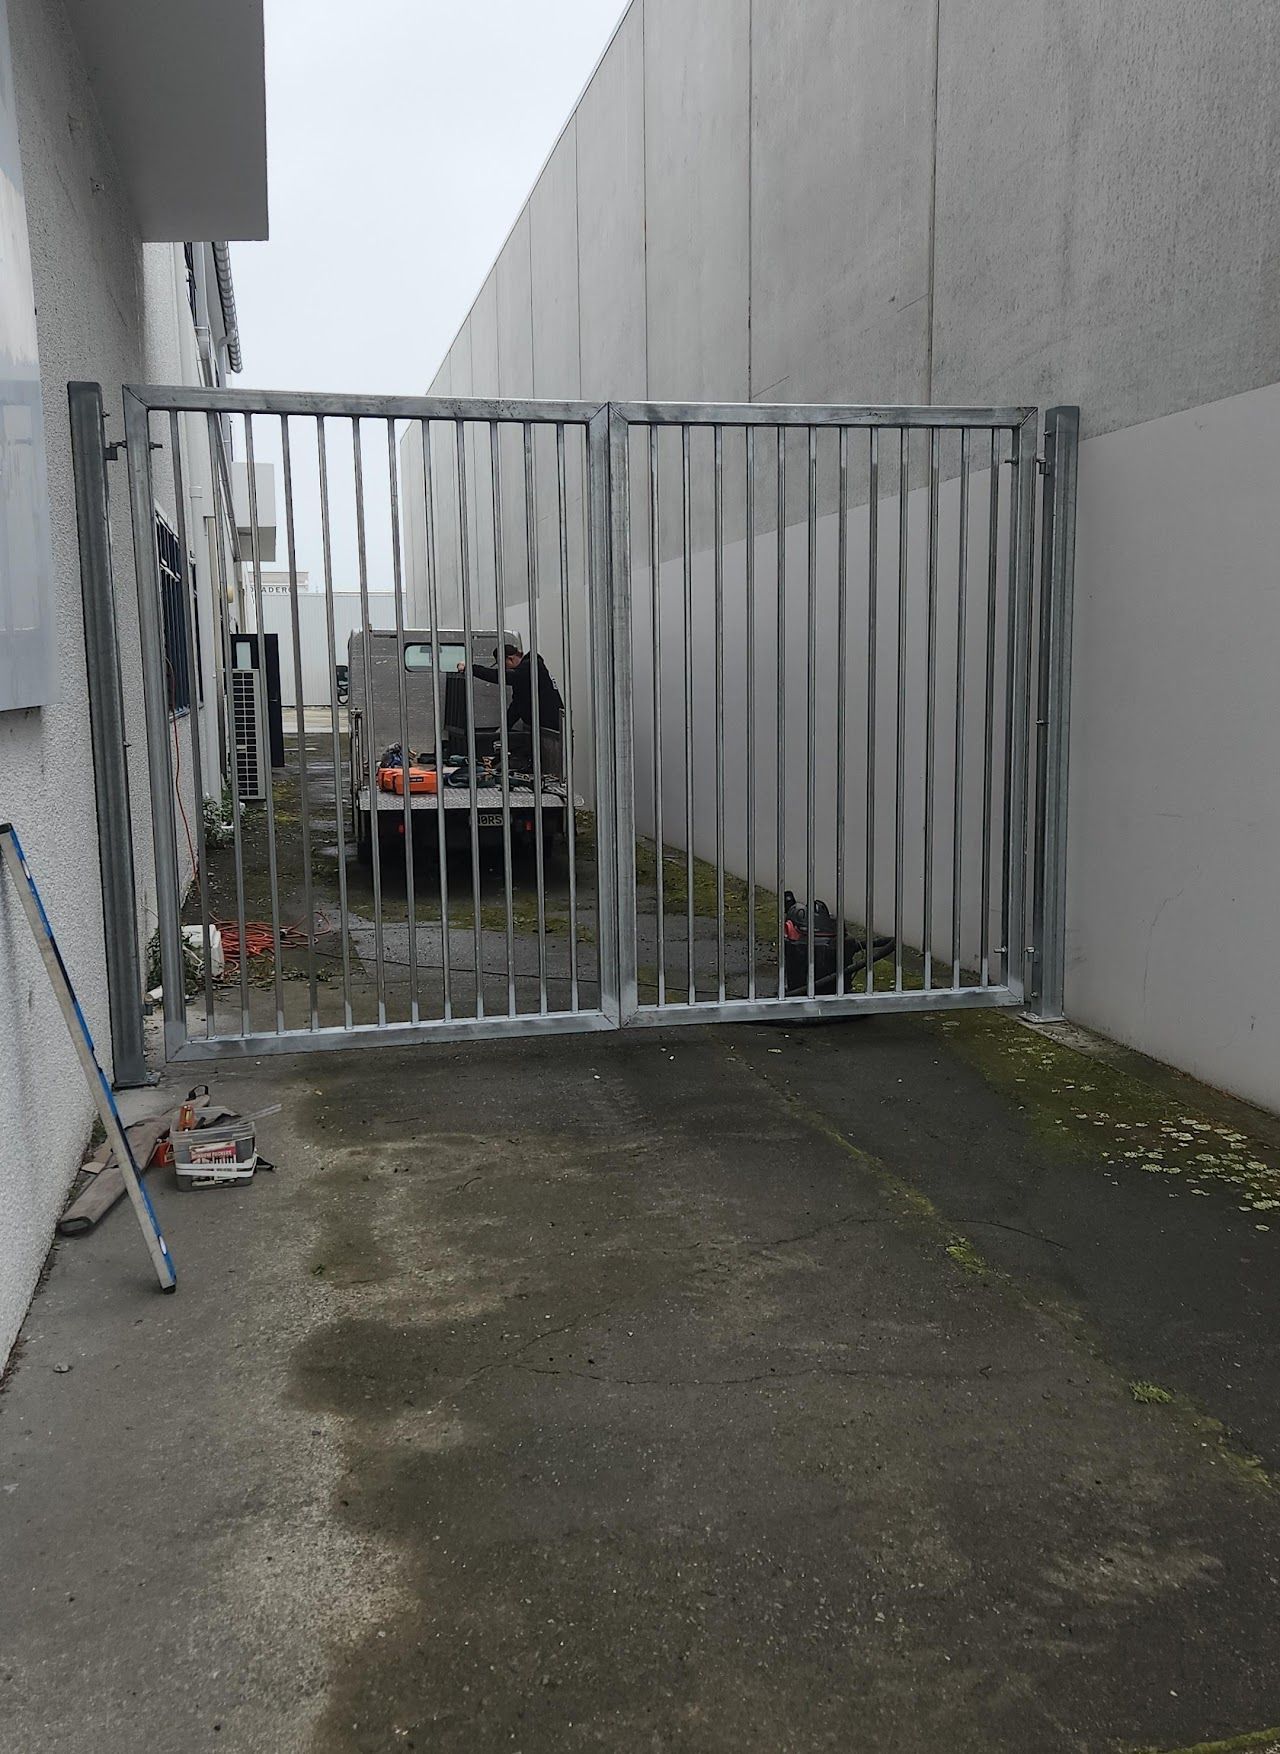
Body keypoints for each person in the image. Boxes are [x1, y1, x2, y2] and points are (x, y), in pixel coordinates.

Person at [458, 643, 563, 744]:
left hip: (554, 733)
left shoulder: (531, 667)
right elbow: (517, 705)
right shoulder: (524, 674)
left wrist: (471, 668)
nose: (504, 670)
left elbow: (499, 676)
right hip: (548, 730)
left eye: (503, 666)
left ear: (510, 659)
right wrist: (504, 729)